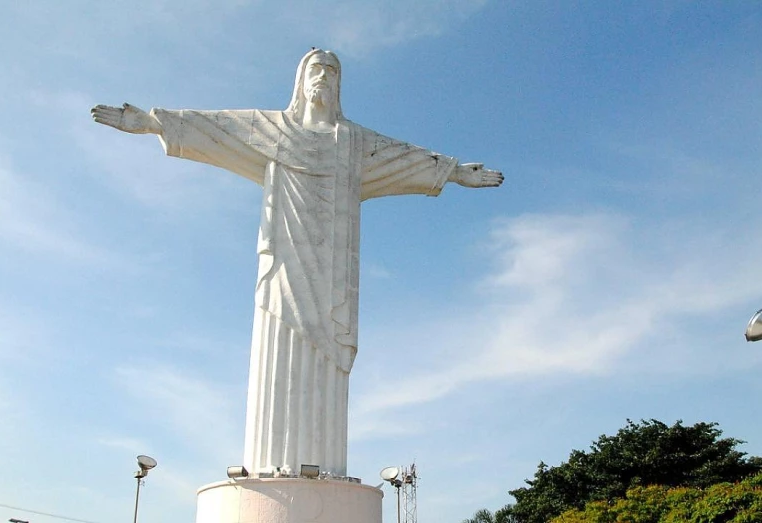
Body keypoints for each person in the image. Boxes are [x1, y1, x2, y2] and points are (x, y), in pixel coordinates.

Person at [91, 48, 502, 478]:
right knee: (277, 347)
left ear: (338, 85)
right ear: (301, 81)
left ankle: (324, 470)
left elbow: (403, 158)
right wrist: (155, 122)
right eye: (315, 69)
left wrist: (452, 172)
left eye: (331, 70)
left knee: (327, 364)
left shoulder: (355, 144)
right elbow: (215, 129)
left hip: (331, 279)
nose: (322, 76)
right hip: (284, 266)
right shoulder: (271, 130)